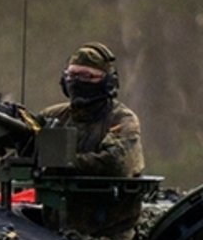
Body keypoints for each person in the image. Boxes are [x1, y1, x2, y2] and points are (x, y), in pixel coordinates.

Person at [37, 43, 145, 179]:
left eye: (86, 76)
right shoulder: (53, 115)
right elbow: (28, 144)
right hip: (56, 196)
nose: (76, 82)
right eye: (71, 75)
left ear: (107, 82)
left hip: (109, 197)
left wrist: (65, 162)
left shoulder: (121, 119)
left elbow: (116, 163)